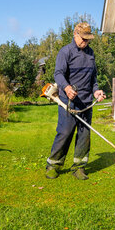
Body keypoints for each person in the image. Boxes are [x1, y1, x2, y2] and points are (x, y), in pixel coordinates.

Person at [45, 22, 106, 180]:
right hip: (68, 102)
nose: (85, 42)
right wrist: (66, 87)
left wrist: (96, 91)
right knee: (65, 133)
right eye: (83, 39)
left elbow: (93, 78)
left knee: (84, 135)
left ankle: (79, 167)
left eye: (88, 39)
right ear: (75, 35)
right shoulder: (66, 52)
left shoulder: (91, 54)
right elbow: (58, 73)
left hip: (86, 102)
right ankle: (53, 165)